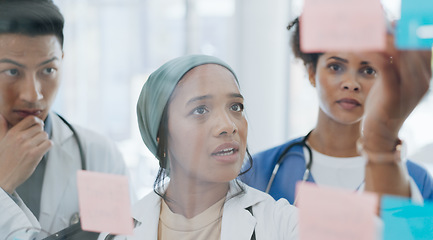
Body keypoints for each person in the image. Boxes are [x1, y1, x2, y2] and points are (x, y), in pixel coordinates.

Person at [241, 16, 433, 204]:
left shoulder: (417, 181)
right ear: (312, 73)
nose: (351, 84)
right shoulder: (256, 172)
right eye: (336, 67)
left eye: (368, 70)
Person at [101, 54, 298, 239]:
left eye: (235, 107)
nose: (228, 126)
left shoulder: (285, 225)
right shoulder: (119, 234)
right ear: (161, 136)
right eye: (200, 110)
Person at [0, 0, 129, 239]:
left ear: (62, 59)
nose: (33, 94)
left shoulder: (97, 155)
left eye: (48, 70)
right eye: (12, 71)